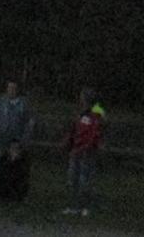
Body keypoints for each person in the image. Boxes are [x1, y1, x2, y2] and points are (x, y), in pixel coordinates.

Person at [0, 78, 34, 201]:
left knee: (15, 168)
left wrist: (24, 141)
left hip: (16, 142)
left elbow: (29, 124)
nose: (11, 91)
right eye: (9, 88)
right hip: (0, 140)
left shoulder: (24, 105)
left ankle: (13, 193)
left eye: (14, 88)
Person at [63, 88, 104, 216]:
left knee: (84, 180)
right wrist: (68, 143)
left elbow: (95, 133)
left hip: (87, 151)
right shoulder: (80, 112)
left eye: (83, 97)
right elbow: (74, 129)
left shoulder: (96, 112)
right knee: (73, 179)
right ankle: (74, 206)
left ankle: (86, 206)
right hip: (76, 150)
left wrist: (85, 147)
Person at [0, 139, 32, 203]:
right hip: (4, 186)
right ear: (8, 149)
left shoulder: (23, 162)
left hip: (16, 188)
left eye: (17, 149)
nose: (14, 151)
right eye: (12, 148)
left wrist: (15, 162)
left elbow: (23, 176)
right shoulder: (3, 160)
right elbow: (0, 174)